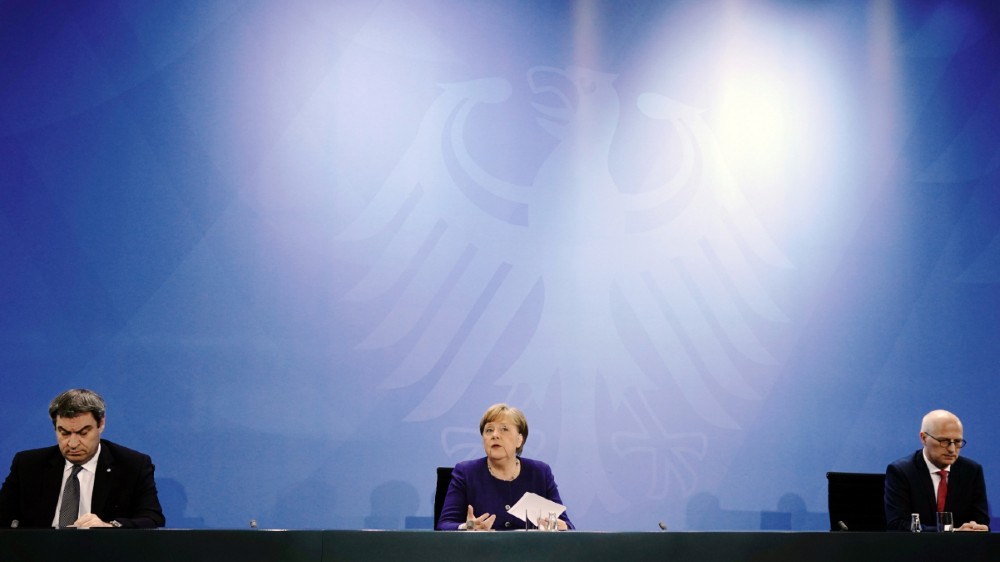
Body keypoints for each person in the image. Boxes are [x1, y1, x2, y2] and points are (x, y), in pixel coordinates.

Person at [0, 389, 165, 529]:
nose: (72, 443)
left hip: (101, 551)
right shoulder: (28, 464)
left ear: (101, 424)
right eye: (64, 433)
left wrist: (110, 526)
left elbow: (152, 518)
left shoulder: (132, 465)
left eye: (83, 433)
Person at [437, 403, 574, 531]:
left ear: (519, 440)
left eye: (504, 429)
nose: (495, 435)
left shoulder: (540, 473)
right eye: (489, 430)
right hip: (483, 549)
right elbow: (444, 525)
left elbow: (567, 526)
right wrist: (470, 526)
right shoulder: (466, 473)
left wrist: (560, 527)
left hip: (530, 549)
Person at [884, 409, 989, 532]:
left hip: (962, 544)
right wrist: (953, 531)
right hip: (916, 544)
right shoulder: (901, 472)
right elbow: (897, 525)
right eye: (944, 441)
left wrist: (977, 528)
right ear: (924, 438)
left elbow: (981, 521)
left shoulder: (971, 471)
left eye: (957, 442)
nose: (952, 449)